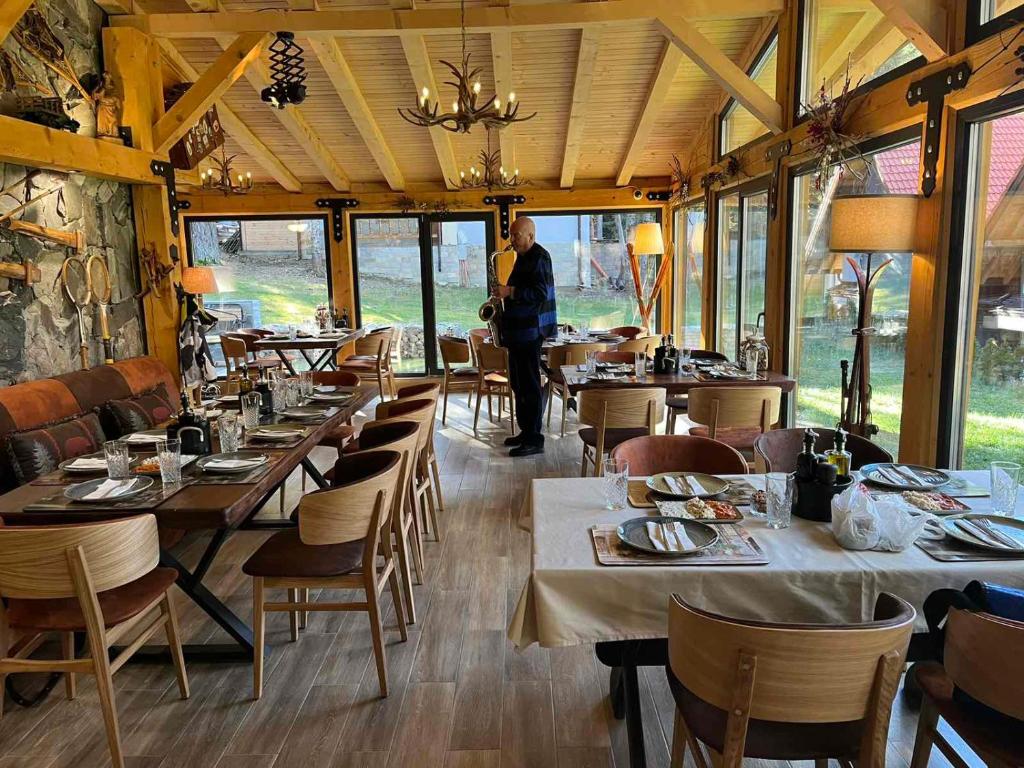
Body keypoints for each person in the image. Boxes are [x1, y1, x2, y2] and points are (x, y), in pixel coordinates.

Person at [493, 217, 557, 457]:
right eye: (511, 235)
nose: (512, 240)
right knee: (518, 383)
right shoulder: (523, 257)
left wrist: (509, 291)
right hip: (518, 332)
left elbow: (541, 293)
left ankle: (535, 439)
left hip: (531, 331)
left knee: (530, 385)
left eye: (515, 235)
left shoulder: (540, 257)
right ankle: (525, 431)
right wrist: (502, 296)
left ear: (530, 235)